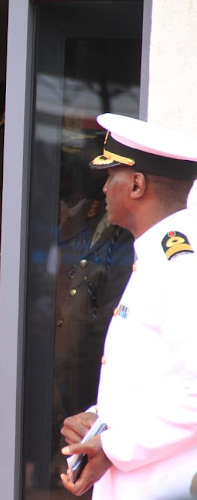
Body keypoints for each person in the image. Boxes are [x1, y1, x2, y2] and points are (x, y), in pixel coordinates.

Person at [59, 113, 197, 499]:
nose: (103, 188)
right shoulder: (154, 255)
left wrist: (113, 446)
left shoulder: (180, 262)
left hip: (164, 484)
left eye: (110, 175)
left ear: (136, 184)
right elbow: (153, 379)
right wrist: (99, 424)